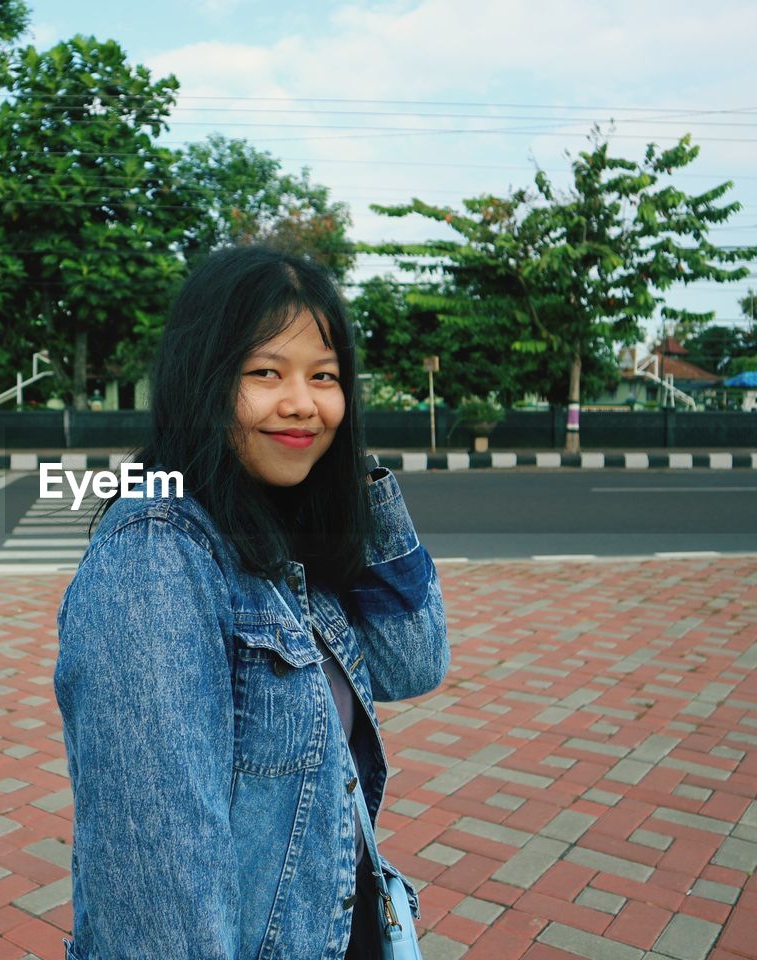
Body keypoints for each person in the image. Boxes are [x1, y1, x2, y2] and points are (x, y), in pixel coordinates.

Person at [54, 246, 449, 959]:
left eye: (324, 378)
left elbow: (414, 662)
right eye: (266, 373)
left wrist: (358, 481)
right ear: (203, 380)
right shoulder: (157, 556)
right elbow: (160, 905)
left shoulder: (280, 527)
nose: (302, 402)